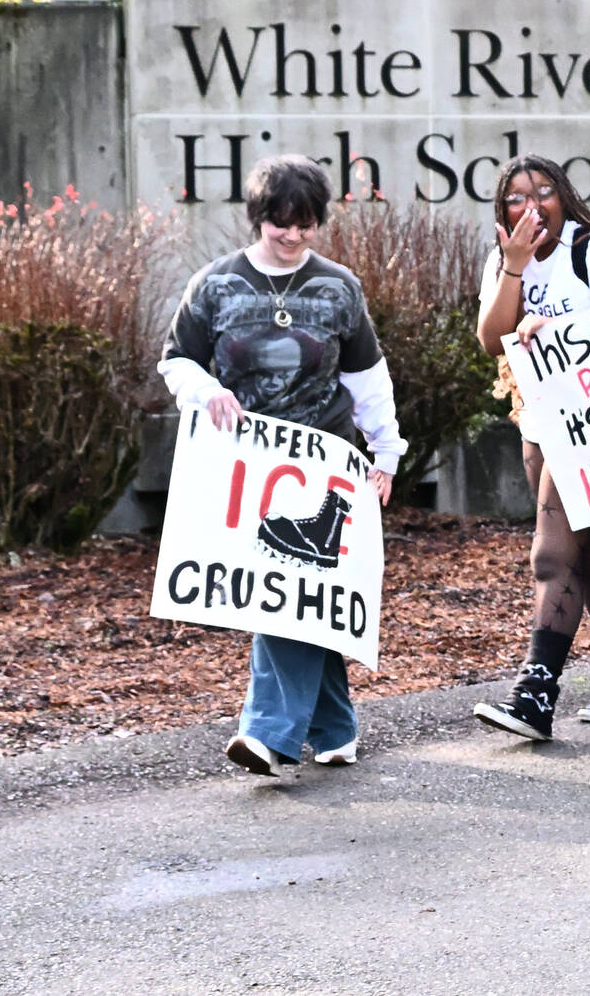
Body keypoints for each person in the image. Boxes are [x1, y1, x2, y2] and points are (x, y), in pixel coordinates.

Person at [158, 156, 406, 776]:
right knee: (291, 592)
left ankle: (267, 733)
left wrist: (387, 453)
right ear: (258, 219)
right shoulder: (213, 284)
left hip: (327, 461)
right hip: (245, 465)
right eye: (280, 225)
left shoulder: (339, 287)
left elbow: (367, 378)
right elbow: (175, 361)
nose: (292, 236)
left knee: (293, 588)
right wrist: (205, 390)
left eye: (305, 225)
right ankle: (334, 727)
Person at [471, 157, 590, 741]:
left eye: (545, 191)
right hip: (539, 418)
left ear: (564, 195)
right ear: (504, 212)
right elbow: (489, 337)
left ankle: (536, 691)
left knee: (551, 555)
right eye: (518, 198)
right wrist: (515, 270)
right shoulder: (506, 260)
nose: (533, 205)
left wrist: (561, 330)